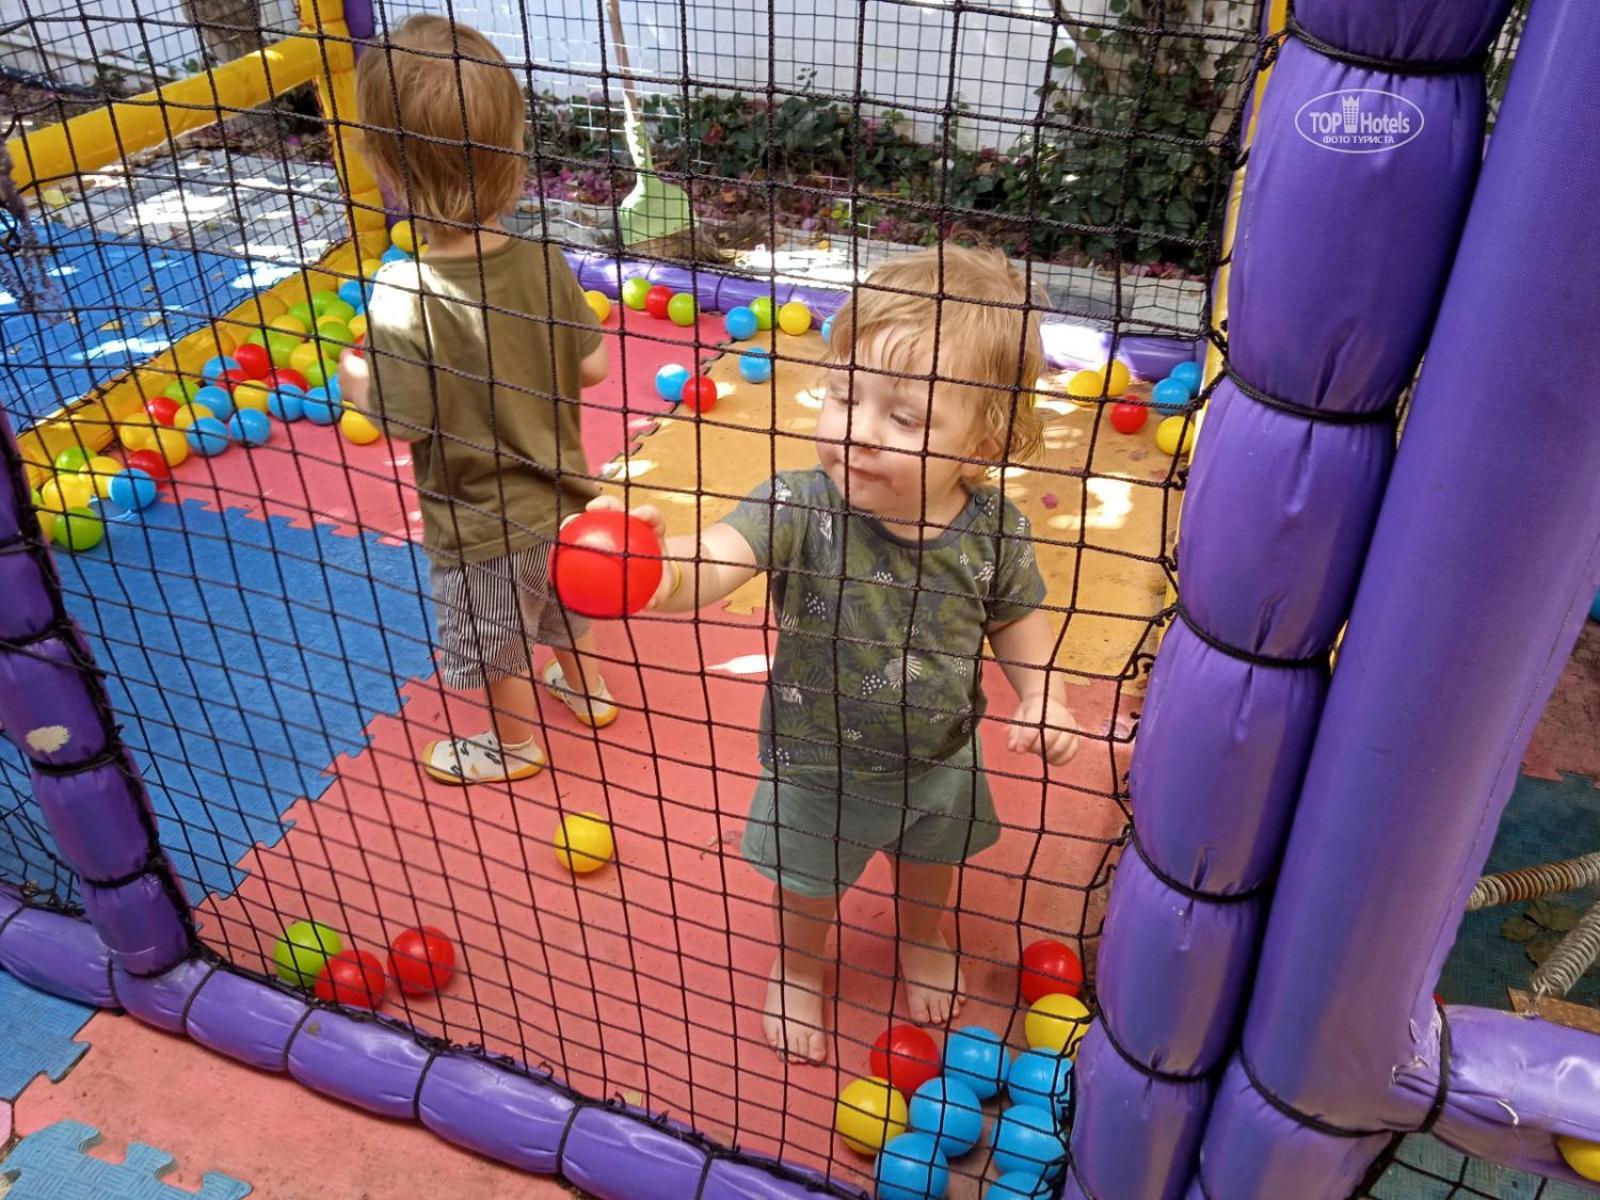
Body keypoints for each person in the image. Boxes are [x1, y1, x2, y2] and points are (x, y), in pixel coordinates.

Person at [593, 246, 1080, 1061]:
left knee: (931, 865)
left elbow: (1018, 617)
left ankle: (920, 940)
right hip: (816, 761)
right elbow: (717, 558)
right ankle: (798, 968)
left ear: (983, 440)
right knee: (805, 882)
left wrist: (1045, 694)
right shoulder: (796, 505)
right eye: (846, 395)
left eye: (905, 417)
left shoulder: (994, 531)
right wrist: (653, 566)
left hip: (940, 755)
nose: (857, 431)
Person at [336, 15, 617, 785]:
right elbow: (591, 370)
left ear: (387, 165)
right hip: (565, 504)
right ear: (513, 154)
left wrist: (352, 378)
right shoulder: (542, 259)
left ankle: (514, 746)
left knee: (496, 641)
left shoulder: (402, 290)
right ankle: (589, 692)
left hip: (479, 526)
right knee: (562, 605)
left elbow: (399, 418)